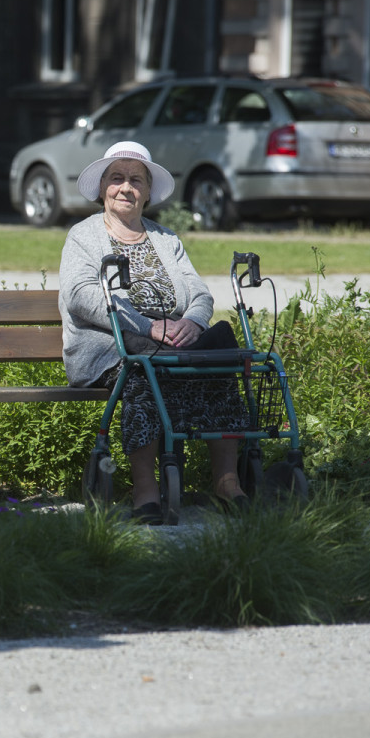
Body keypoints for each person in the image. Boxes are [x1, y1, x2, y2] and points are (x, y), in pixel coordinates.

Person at [58, 141, 248, 525]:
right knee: (142, 371)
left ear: (147, 192)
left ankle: (227, 484)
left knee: (221, 358)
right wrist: (149, 326)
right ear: (101, 189)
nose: (125, 188)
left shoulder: (166, 239)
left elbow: (199, 293)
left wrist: (192, 324)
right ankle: (146, 490)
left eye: (135, 180)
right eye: (116, 178)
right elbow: (80, 297)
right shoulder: (84, 236)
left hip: (171, 345)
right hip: (111, 345)